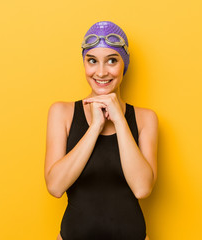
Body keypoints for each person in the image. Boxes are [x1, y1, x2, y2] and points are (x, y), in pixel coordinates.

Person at [44, 21, 158, 240]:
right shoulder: (62, 113)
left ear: (124, 65)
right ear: (84, 64)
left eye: (112, 61)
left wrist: (119, 120)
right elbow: (55, 187)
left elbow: (142, 188)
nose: (101, 72)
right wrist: (95, 127)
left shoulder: (146, 119)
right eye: (92, 61)